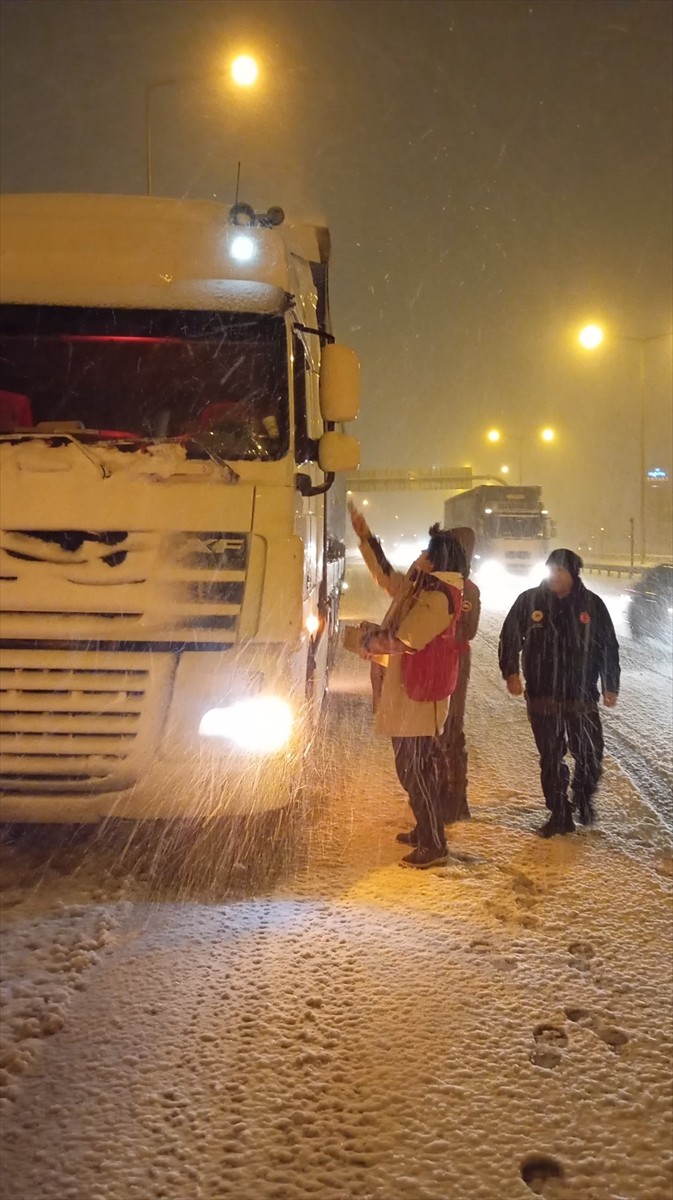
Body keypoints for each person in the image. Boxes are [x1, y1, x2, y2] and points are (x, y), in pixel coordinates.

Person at [349, 506, 468, 868]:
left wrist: (365, 641)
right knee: (413, 767)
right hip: (408, 690)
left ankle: (434, 844)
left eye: (425, 550)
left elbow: (406, 640)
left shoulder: (437, 597)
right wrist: (366, 537)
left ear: (436, 558)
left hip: (418, 695)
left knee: (414, 769)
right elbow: (386, 577)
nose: (419, 554)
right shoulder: (422, 588)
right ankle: (425, 828)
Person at [498, 548, 620, 838]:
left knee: (590, 754)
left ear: (572, 573)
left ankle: (583, 795)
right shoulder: (530, 601)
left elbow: (608, 646)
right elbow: (510, 636)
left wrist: (610, 684)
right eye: (550, 569)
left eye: (559, 570)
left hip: (581, 696)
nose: (553, 575)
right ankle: (559, 813)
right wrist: (511, 672)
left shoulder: (591, 605)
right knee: (551, 757)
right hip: (543, 695)